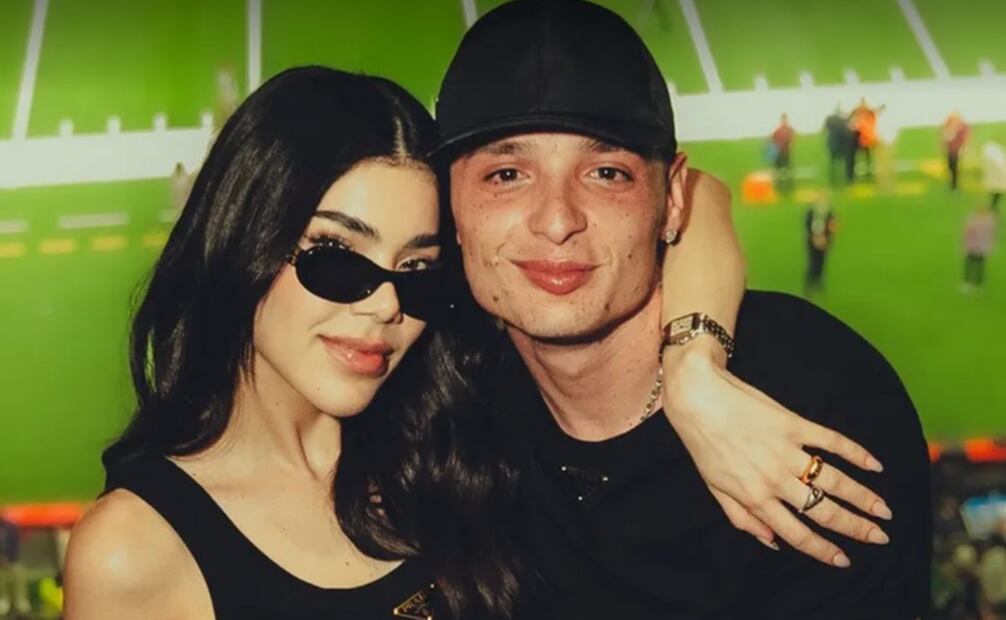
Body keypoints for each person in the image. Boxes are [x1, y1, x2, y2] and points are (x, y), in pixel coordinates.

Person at [60, 63, 875, 620]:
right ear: (245, 239)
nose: (386, 306)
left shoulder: (448, 423)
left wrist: (693, 372)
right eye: (337, 260)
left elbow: (695, 197)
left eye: (419, 272)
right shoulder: (137, 551)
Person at [435, 1, 930, 618]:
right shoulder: (443, 392)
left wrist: (695, 369)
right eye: (507, 175)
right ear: (448, 206)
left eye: (606, 173)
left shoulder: (819, 402)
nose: (557, 220)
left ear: (670, 198)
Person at [805, 195, 837, 295]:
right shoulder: (811, 213)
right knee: (813, 261)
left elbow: (832, 226)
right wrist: (815, 238)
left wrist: (826, 239)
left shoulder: (829, 213)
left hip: (824, 241)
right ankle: (810, 283)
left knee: (821, 261)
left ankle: (818, 281)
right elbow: (807, 226)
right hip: (813, 241)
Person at [847, 97, 884, 182]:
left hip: (864, 139)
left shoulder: (863, 110)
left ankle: (867, 173)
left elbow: (875, 111)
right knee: (867, 157)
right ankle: (866, 173)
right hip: (863, 139)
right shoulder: (862, 110)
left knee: (866, 157)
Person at [962, 206, 997, 292]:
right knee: (973, 265)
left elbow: (968, 232)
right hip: (975, 247)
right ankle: (972, 282)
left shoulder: (984, 221)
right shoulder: (987, 221)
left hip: (977, 247)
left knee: (975, 265)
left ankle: (974, 282)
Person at [943, 112, 970, 191]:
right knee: (950, 167)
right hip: (950, 150)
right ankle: (953, 182)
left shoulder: (961, 128)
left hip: (956, 150)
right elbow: (945, 138)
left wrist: (963, 147)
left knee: (954, 167)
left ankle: (954, 185)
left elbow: (964, 138)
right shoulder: (948, 126)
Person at [824, 106, 850, 185]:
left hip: (831, 143)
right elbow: (845, 131)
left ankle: (832, 178)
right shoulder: (842, 120)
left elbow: (826, 129)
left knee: (832, 162)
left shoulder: (829, 119)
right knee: (841, 162)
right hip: (839, 143)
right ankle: (842, 178)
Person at [770, 113, 795, 191]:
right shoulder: (778, 130)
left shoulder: (789, 130)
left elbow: (792, 140)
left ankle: (789, 186)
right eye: (783, 120)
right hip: (778, 153)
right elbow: (772, 139)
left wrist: (789, 146)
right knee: (778, 171)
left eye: (785, 120)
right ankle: (778, 187)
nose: (784, 121)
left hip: (786, 153)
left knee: (787, 170)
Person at [982, 141, 1006, 215]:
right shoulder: (996, 157)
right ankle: (993, 206)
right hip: (998, 181)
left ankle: (993, 206)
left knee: (996, 192)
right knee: (996, 192)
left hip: (998, 180)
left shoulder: (996, 157)